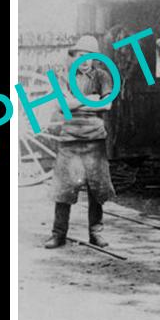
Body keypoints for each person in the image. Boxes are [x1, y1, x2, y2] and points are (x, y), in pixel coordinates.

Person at [44, 35, 117, 249]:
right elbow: (60, 106)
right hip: (69, 138)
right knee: (63, 188)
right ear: (74, 56)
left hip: (95, 137)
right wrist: (92, 100)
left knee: (97, 188)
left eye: (89, 56)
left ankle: (96, 233)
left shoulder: (103, 76)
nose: (84, 60)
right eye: (80, 55)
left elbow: (108, 105)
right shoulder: (64, 77)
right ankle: (58, 234)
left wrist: (75, 102)